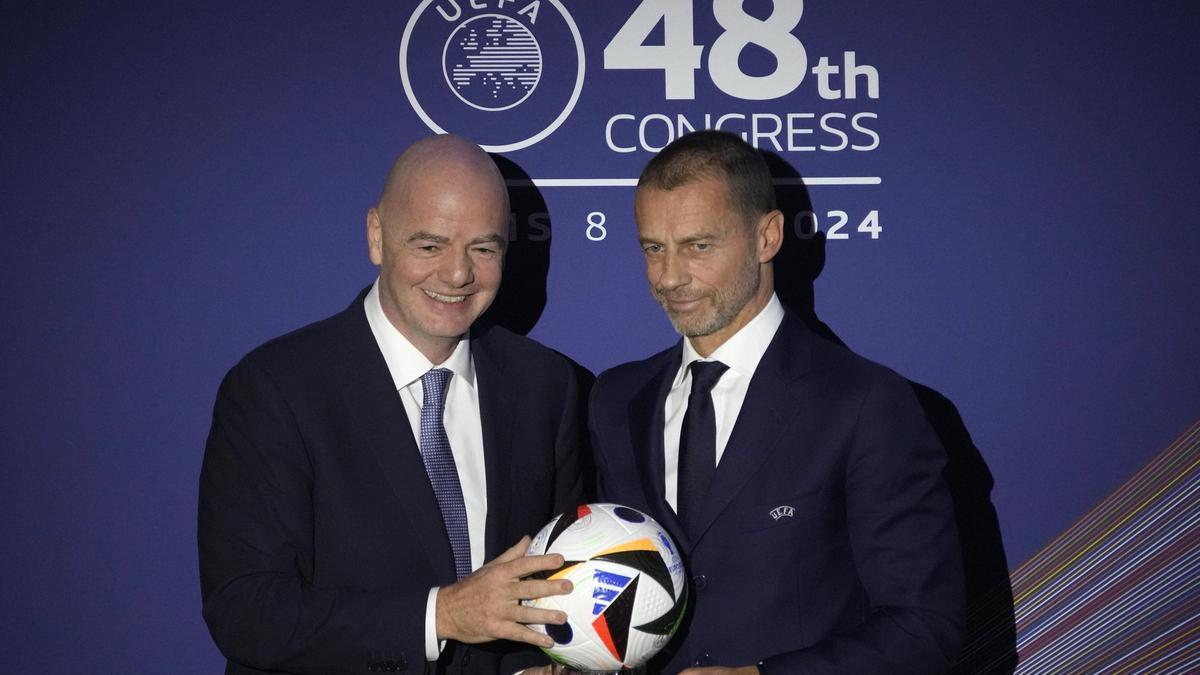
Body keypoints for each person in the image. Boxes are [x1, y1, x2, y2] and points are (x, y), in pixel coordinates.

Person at [199, 134, 588, 674]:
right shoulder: (275, 389)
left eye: (483, 248)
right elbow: (247, 611)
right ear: (377, 236)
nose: (457, 274)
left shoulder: (546, 385)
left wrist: (550, 664)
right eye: (429, 246)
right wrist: (440, 615)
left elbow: (566, 580)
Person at [588, 130, 965, 673]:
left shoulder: (865, 404)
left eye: (698, 246)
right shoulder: (618, 399)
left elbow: (924, 627)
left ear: (767, 237)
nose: (668, 277)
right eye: (654, 248)